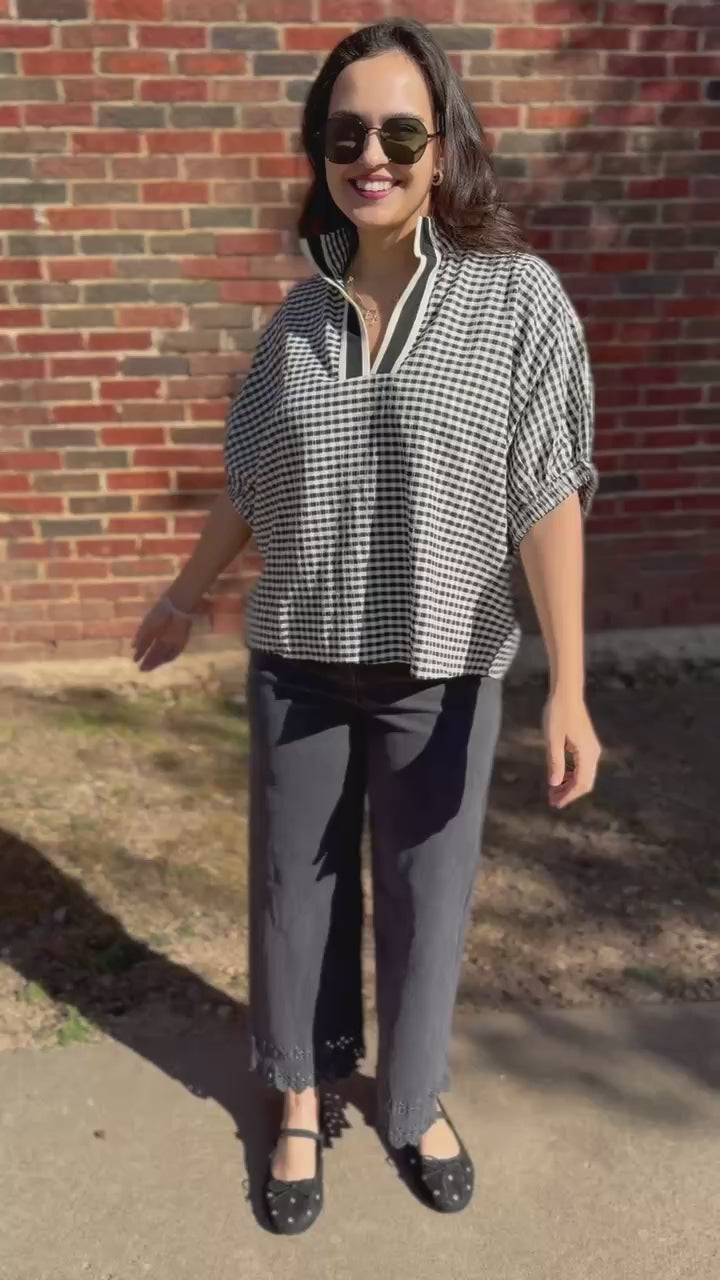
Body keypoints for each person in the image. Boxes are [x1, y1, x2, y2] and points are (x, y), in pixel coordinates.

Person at [132, 17, 601, 1235]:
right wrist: (186, 594)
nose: (372, 155)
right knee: (295, 895)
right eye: (346, 135)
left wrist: (569, 686)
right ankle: (296, 1092)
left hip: (439, 669)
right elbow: (251, 479)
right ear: (321, 153)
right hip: (297, 658)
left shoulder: (517, 301)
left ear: (442, 145)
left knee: (425, 897)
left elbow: (547, 488)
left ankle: (413, 1098)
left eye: (399, 131)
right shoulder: (298, 321)